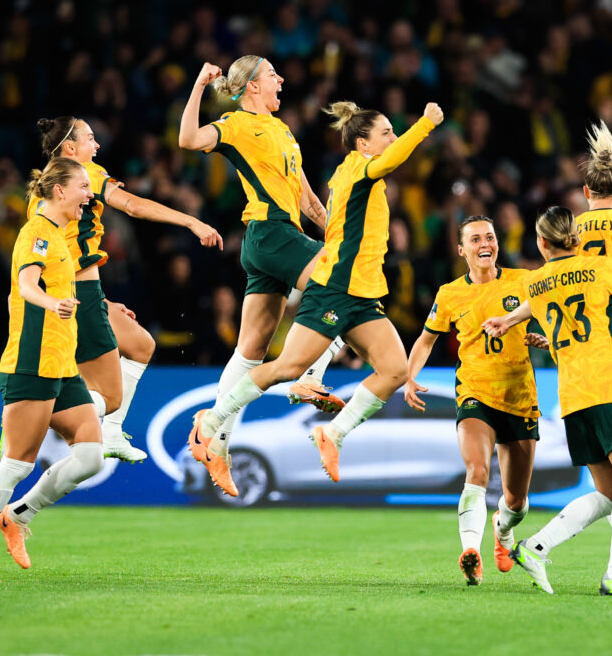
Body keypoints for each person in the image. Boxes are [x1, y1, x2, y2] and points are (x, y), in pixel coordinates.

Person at [187, 100, 443, 496]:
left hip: (363, 291)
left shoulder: (349, 172)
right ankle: (212, 420)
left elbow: (324, 211)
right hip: (336, 286)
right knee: (285, 367)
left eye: (394, 131)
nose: (392, 138)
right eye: (385, 133)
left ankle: (333, 434)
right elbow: (390, 161)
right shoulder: (361, 168)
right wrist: (424, 124)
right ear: (362, 144)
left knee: (395, 369)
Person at [178, 56, 351, 493]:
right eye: (274, 74)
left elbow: (309, 200)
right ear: (252, 85)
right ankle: (311, 374)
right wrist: (200, 85)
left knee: (251, 351)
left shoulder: (283, 131)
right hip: (271, 235)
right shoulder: (235, 123)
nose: (283, 78)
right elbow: (187, 139)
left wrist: (338, 237)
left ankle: (215, 442)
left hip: (274, 241)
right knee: (344, 291)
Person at [484, 206, 612, 597]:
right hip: (610, 384)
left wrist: (510, 321)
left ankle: (534, 547)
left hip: (572, 396)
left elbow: (547, 304)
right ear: (574, 238)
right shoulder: (599, 268)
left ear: (541, 242)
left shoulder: (536, 282)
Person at [31, 116, 224, 463]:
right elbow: (133, 205)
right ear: (70, 148)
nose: (97, 145)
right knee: (109, 395)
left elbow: (61, 251)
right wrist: (191, 220)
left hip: (77, 290)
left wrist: (102, 299)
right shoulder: (82, 175)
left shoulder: (46, 187)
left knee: (140, 345)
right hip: (76, 293)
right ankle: (34, 418)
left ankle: (109, 431)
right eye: (90, 138)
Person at [0, 158, 103, 582]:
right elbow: (26, 285)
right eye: (83, 186)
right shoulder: (35, 232)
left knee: (91, 455)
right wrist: (50, 303)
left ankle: (17, 515)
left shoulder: (58, 235)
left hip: (62, 364)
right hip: (31, 362)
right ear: (59, 190)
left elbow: (61, 285)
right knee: (18, 463)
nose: (89, 194)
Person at [405, 215, 547, 586]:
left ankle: (503, 533)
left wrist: (546, 338)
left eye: (490, 237)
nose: (485, 244)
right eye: (475, 239)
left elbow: (556, 314)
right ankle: (471, 551)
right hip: (475, 393)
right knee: (478, 471)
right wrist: (408, 375)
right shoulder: (449, 293)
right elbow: (425, 340)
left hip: (519, 396)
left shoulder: (524, 281)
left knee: (516, 501)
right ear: (461, 250)